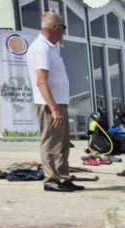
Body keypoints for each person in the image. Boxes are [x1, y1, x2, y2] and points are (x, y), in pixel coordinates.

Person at [27, 12, 80, 192]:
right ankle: (51, 179)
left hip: (59, 103)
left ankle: (63, 177)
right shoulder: (41, 48)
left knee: (63, 143)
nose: (64, 32)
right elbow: (41, 80)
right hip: (50, 105)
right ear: (56, 28)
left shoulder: (51, 48)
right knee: (51, 142)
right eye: (63, 28)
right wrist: (54, 109)